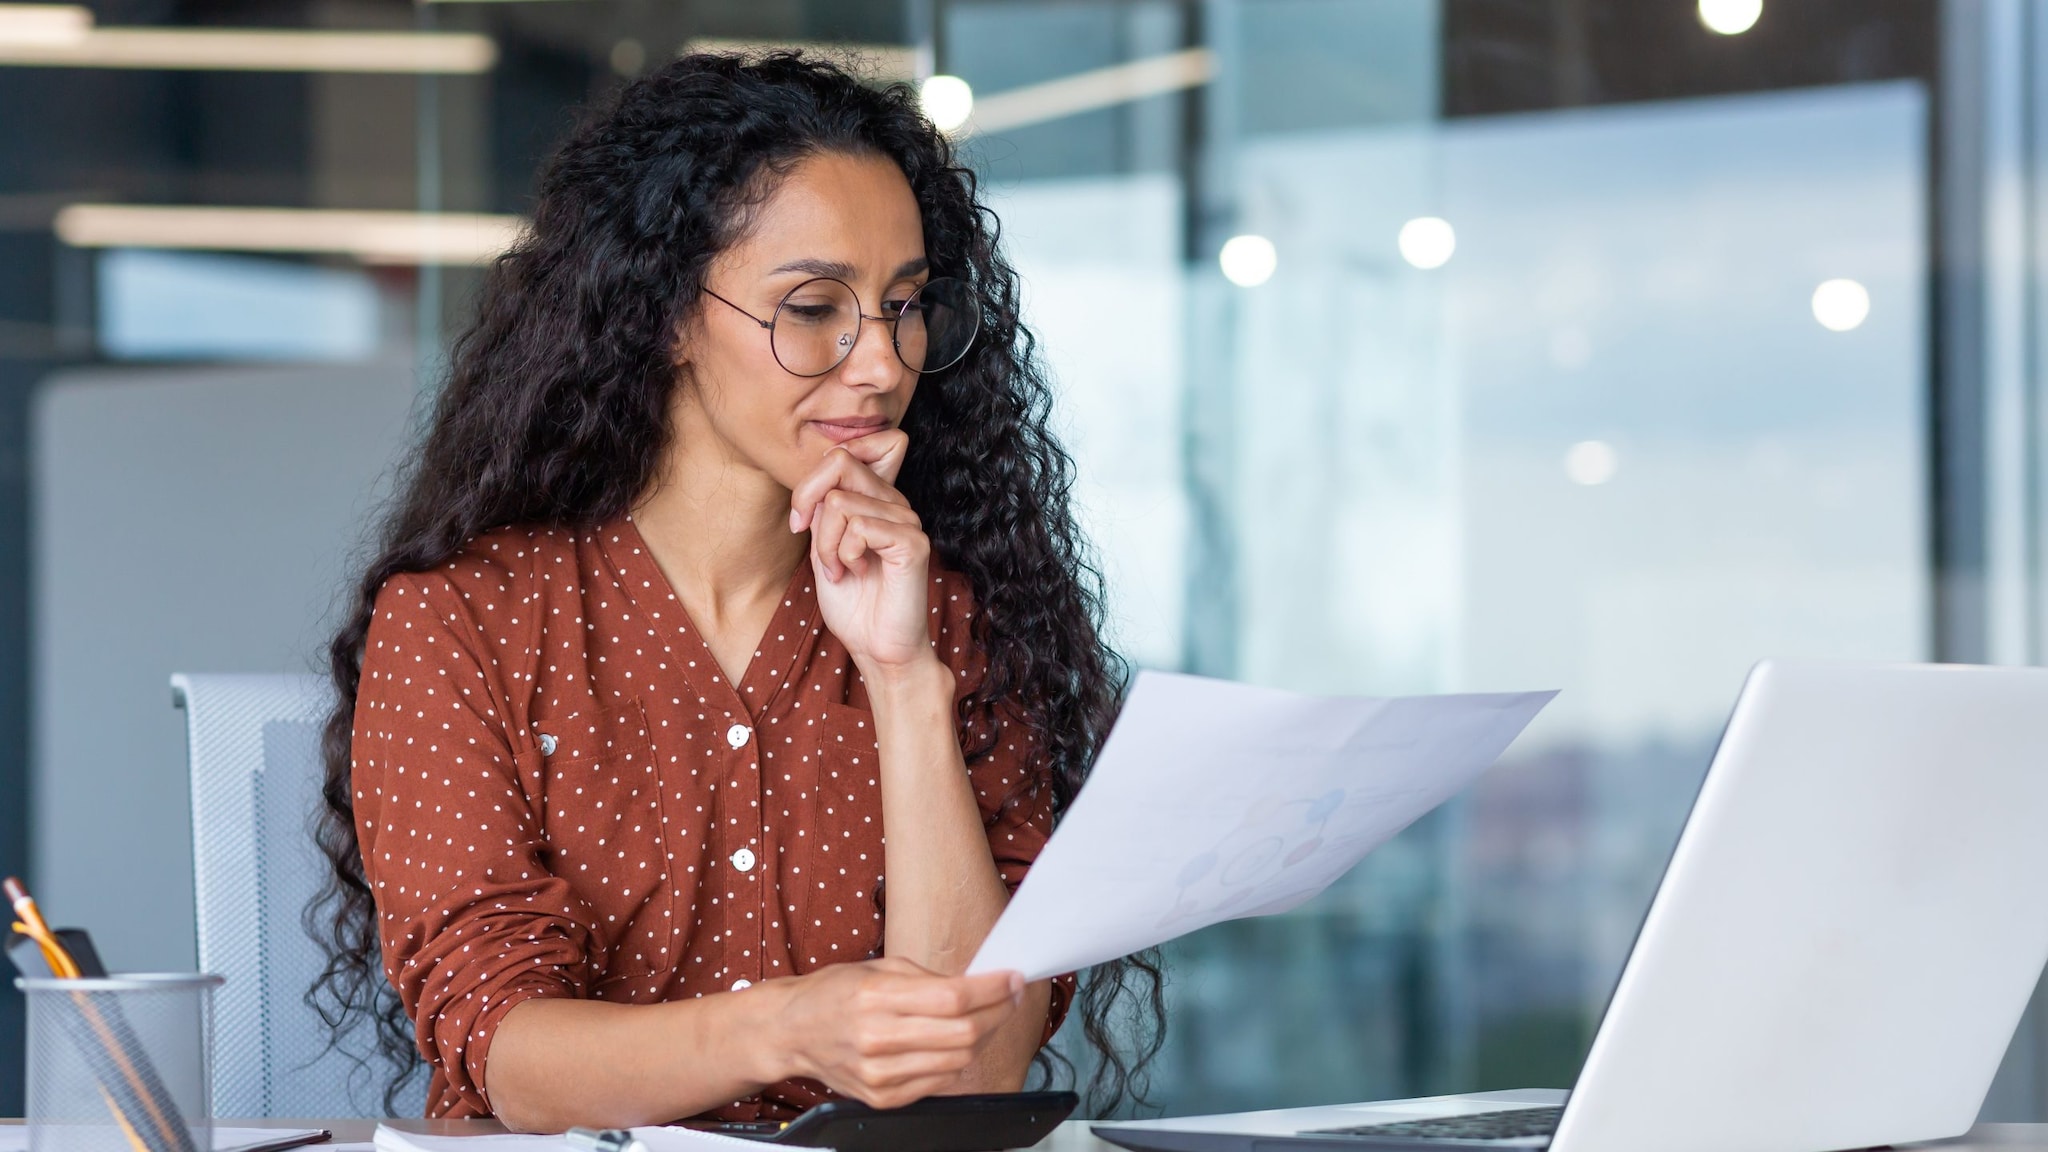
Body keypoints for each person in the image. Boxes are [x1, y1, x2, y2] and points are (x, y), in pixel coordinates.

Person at [308, 51, 1161, 1132]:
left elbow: (972, 1074)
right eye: (812, 307)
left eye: (903, 306)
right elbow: (510, 1062)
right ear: (664, 311)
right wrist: (785, 1028)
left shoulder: (941, 612)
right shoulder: (464, 622)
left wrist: (903, 682)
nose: (878, 364)